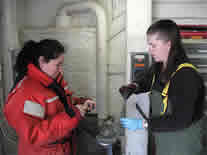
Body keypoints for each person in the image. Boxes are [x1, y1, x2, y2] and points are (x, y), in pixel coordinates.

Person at [119, 19, 205, 155]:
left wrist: (143, 125)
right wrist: (134, 86)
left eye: (153, 45)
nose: (149, 49)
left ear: (168, 44)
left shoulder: (186, 75)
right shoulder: (159, 66)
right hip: (164, 140)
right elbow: (147, 80)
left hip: (183, 144)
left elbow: (181, 120)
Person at [3, 39, 96, 155]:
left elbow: (62, 102)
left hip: (63, 147)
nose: (61, 70)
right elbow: (33, 135)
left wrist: (81, 103)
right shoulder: (26, 92)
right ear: (42, 61)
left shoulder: (54, 80)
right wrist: (72, 115)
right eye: (58, 65)